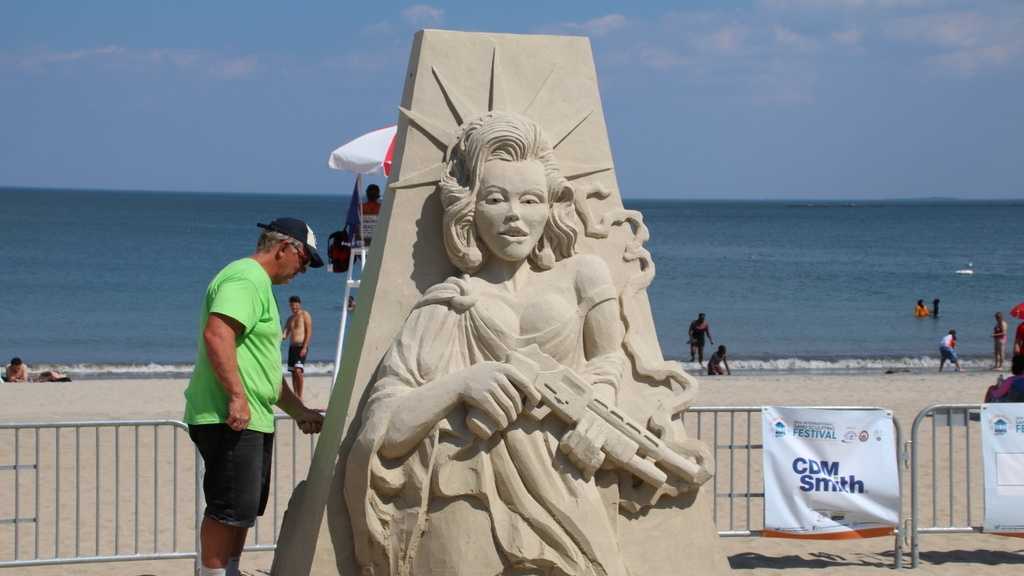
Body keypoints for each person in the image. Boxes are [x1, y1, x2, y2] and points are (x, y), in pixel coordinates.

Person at [343, 112, 711, 576]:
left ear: (552, 206)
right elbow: (385, 431)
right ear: (469, 207)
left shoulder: (582, 275)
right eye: (496, 199)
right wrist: (459, 386)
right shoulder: (448, 305)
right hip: (465, 492)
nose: (515, 216)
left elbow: (608, 359)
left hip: (565, 476)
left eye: (531, 200)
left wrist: (598, 408)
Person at [184, 217, 325, 576]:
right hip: (228, 416)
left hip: (253, 417)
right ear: (285, 249)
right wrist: (236, 396)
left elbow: (264, 372)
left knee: (244, 507)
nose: (302, 271)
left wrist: (299, 411)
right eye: (304, 260)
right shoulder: (245, 277)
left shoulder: (259, 285)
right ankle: (213, 573)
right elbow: (217, 335)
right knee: (226, 506)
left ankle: (230, 569)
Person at [282, 295, 312, 399]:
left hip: (301, 347)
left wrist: (305, 347)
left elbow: (309, 332)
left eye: (295, 305)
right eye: (291, 306)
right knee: (293, 373)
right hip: (292, 348)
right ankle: (296, 396)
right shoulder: (290, 319)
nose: (293, 307)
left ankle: (300, 396)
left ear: (299, 304)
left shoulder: (305, 315)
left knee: (298, 371)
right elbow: (284, 334)